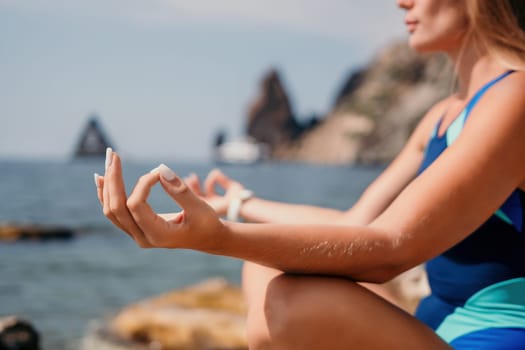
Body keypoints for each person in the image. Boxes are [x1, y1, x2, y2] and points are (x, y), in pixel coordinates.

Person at [94, 0, 525, 348]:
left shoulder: (516, 97)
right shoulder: (442, 116)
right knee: (261, 271)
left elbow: (391, 249)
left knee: (291, 301)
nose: (402, 3)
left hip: (490, 340)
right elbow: (358, 227)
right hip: (432, 331)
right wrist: (240, 206)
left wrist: (217, 237)